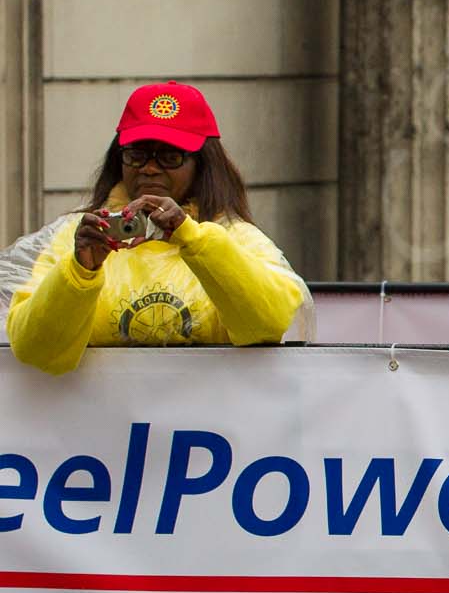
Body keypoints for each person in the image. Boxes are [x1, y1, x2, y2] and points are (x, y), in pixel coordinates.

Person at [6, 82, 308, 376]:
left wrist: (189, 236)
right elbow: (38, 352)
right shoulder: (76, 237)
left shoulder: (235, 237)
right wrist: (81, 271)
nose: (149, 168)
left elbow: (268, 327)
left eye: (170, 156)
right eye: (136, 154)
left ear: (203, 165)